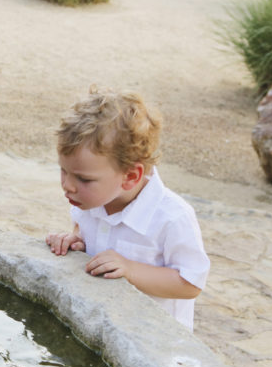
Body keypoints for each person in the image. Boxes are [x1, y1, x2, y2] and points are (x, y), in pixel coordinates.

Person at [44, 88, 209, 332]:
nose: (67, 186)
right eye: (63, 171)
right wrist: (75, 240)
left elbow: (190, 283)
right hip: (104, 327)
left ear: (130, 176)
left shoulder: (172, 218)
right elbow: (83, 228)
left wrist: (131, 270)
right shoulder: (90, 201)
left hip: (154, 339)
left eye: (83, 179)